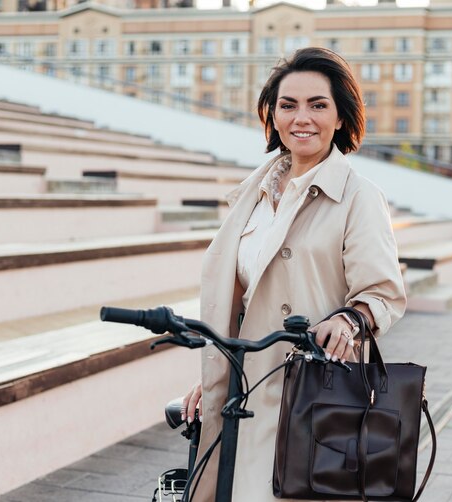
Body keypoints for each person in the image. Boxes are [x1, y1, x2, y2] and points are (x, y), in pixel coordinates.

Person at [182, 47, 406, 501]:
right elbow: (243, 304)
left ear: (341, 118)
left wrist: (349, 319)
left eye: (318, 105)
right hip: (245, 389)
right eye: (288, 105)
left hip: (314, 394)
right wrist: (213, 380)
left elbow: (383, 294)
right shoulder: (253, 194)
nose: (302, 118)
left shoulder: (359, 197)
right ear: (273, 115)